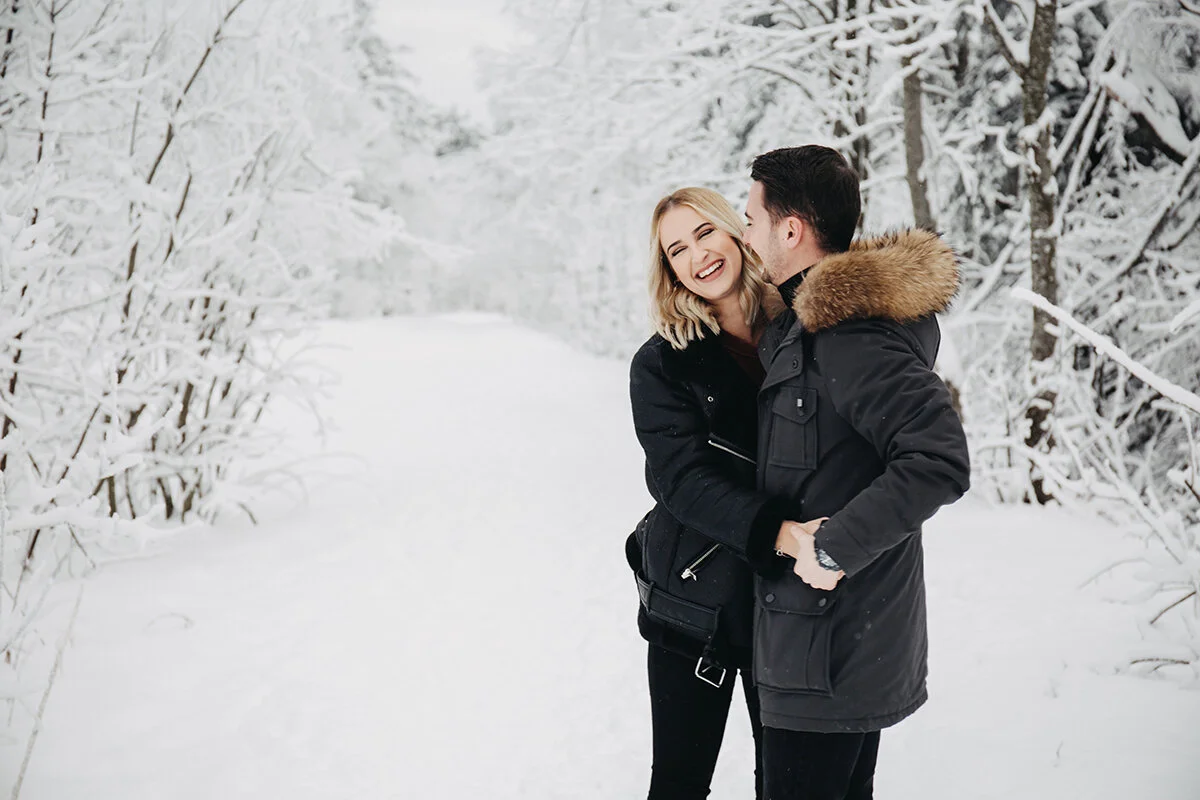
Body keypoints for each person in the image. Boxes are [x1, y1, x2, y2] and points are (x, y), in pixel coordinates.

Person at [738, 145, 972, 799]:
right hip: (824, 643)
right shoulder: (810, 325)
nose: (745, 234)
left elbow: (938, 457)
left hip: (825, 646)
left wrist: (834, 547)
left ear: (791, 230)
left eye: (751, 218)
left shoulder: (846, 335)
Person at [627, 187, 793, 800]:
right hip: (693, 603)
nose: (697, 256)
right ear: (669, 270)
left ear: (735, 232)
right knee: (678, 784)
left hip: (789, 605)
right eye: (677, 250)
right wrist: (775, 531)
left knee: (786, 782)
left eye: (704, 234)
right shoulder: (662, 363)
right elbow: (680, 479)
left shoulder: (805, 329)